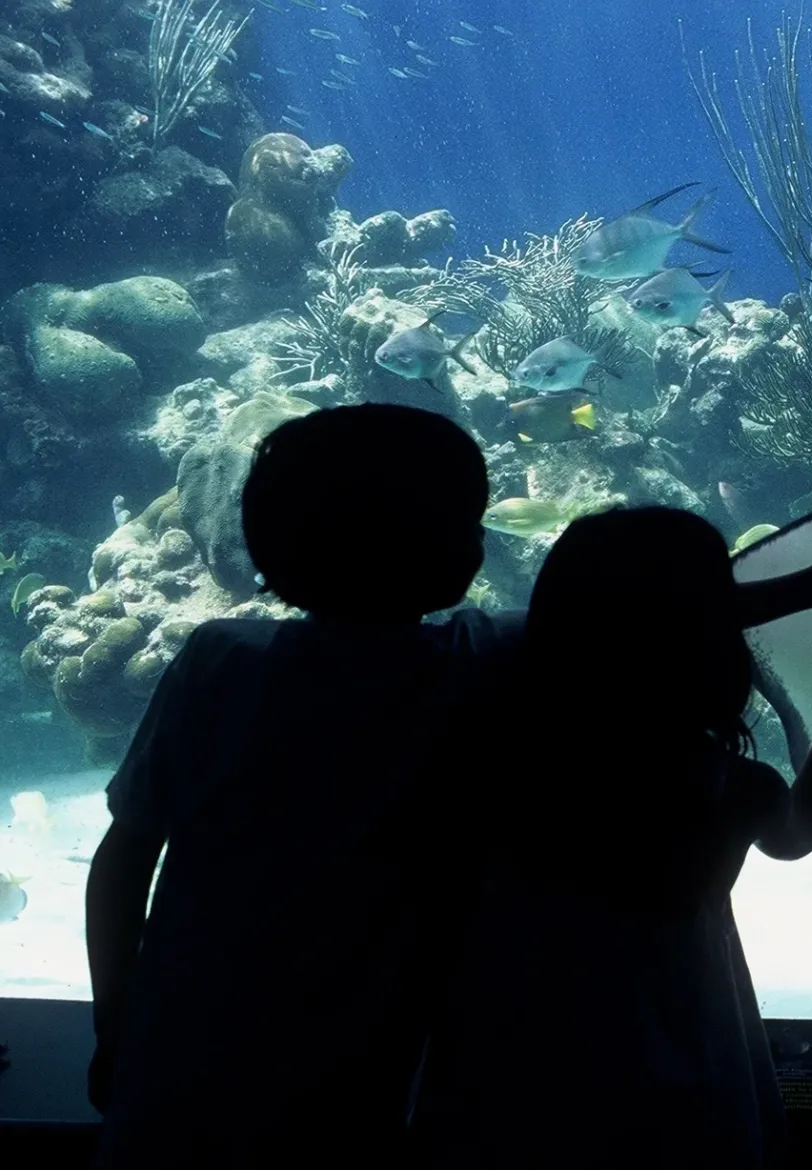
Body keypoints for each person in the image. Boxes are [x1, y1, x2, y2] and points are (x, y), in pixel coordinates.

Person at [410, 508, 812, 1169]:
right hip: (679, 1037)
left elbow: (619, 622)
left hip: (511, 1041)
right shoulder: (731, 783)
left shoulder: (497, 749)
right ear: (716, 647)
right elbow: (798, 837)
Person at [85, 404, 501, 1167]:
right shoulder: (474, 659)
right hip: (375, 1066)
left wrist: (115, 1016)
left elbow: (127, 851)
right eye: (470, 517)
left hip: (186, 1053)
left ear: (266, 548)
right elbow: (630, 614)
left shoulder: (221, 660)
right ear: (453, 548)